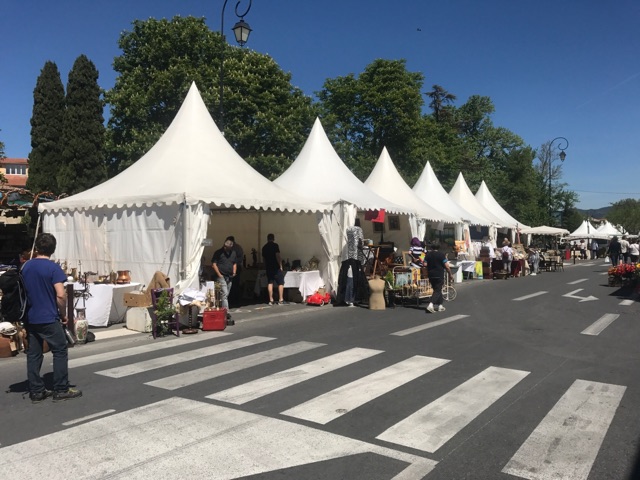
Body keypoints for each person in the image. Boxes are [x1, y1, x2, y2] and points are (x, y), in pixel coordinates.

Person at [21, 233, 82, 403]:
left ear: (38, 247)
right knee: (60, 350)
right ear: (52, 249)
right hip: (48, 317)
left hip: (30, 317)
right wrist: (64, 315)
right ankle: (61, 389)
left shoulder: (26, 267)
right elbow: (61, 295)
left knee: (34, 354)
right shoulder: (53, 268)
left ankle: (36, 390)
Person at [339, 219, 365, 306]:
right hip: (356, 257)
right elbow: (361, 243)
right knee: (355, 279)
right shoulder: (358, 230)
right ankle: (353, 298)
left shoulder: (348, 229)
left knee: (349, 278)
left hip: (348, 258)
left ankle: (348, 298)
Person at [211, 238, 238, 319]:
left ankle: (222, 309)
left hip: (229, 276)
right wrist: (219, 274)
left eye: (230, 248)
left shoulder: (233, 253)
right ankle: (226, 311)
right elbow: (214, 264)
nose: (229, 249)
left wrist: (234, 272)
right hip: (221, 276)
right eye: (227, 247)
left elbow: (234, 263)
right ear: (224, 246)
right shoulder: (218, 253)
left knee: (226, 294)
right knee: (225, 294)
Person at [424, 242, 453, 313]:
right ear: (438, 247)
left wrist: (426, 272)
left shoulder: (428, 255)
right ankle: (430, 305)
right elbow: (447, 266)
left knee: (437, 289)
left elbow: (424, 264)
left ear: (431, 247)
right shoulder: (441, 255)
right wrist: (450, 274)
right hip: (439, 274)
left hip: (431, 274)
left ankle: (440, 306)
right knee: (437, 290)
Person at [262, 233, 285, 305]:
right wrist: (281, 265)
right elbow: (277, 256)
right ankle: (281, 299)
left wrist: (265, 266)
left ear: (267, 239)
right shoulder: (275, 246)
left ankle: (271, 299)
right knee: (280, 283)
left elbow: (264, 259)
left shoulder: (264, 247)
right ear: (273, 238)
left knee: (270, 283)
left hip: (269, 267)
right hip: (276, 267)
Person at [225, 236, 244, 308]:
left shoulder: (230, 247)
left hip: (231, 267)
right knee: (235, 284)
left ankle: (230, 299)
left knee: (230, 284)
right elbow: (241, 258)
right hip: (237, 267)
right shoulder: (238, 247)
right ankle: (235, 300)